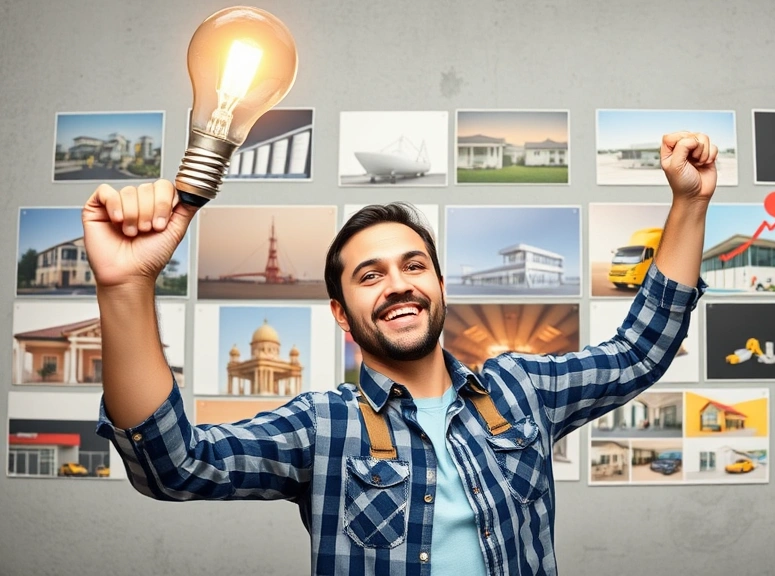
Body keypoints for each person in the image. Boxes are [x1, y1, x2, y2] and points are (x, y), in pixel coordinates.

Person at [86, 131, 717, 575]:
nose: (397, 285)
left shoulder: (521, 389)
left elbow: (640, 351)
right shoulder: (321, 425)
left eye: (413, 265)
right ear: (341, 314)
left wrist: (688, 203)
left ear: (440, 286)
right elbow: (174, 465)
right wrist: (127, 286)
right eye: (369, 276)